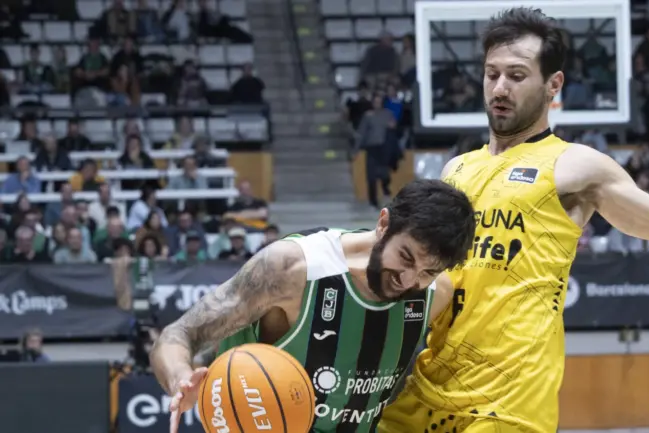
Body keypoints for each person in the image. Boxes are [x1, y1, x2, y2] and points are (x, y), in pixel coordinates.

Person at [379, 7, 649, 433]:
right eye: (492, 74)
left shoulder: (574, 165)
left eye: (516, 75)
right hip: (421, 393)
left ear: (554, 84)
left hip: (504, 408)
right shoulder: (455, 170)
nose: (500, 87)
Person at [150, 179, 476, 433]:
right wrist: (180, 380)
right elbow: (178, 335)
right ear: (383, 224)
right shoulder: (291, 269)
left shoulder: (435, 294)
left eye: (428, 272)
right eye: (405, 257)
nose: (407, 280)